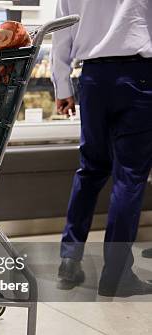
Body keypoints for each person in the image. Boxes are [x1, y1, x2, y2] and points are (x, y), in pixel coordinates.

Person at [52, 0, 152, 297]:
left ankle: (69, 260)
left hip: (94, 78)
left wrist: (62, 86)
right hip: (140, 76)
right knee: (129, 177)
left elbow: (62, 28)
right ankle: (116, 275)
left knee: (91, 168)